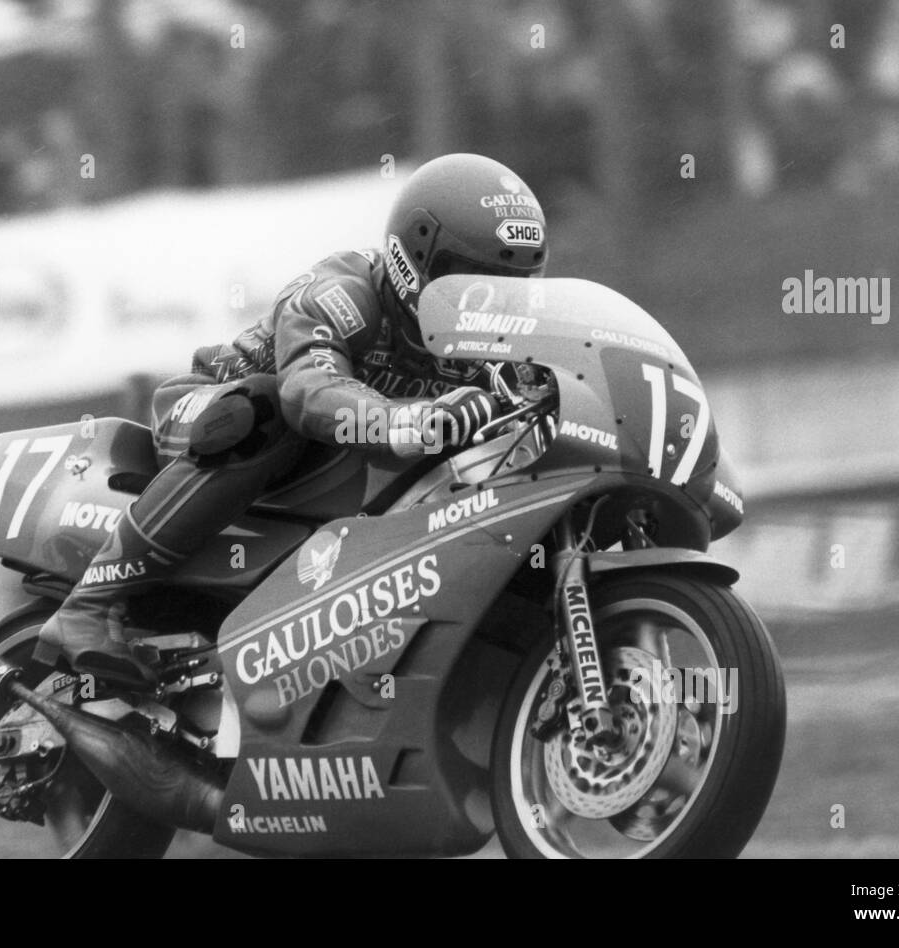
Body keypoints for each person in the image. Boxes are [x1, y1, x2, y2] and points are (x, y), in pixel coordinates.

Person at [35, 153, 550, 687]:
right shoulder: (343, 292)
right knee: (266, 406)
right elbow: (308, 392)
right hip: (208, 415)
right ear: (411, 258)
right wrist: (408, 421)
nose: (491, 303)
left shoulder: (497, 348)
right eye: (475, 282)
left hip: (331, 473)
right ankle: (89, 605)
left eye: (514, 286)